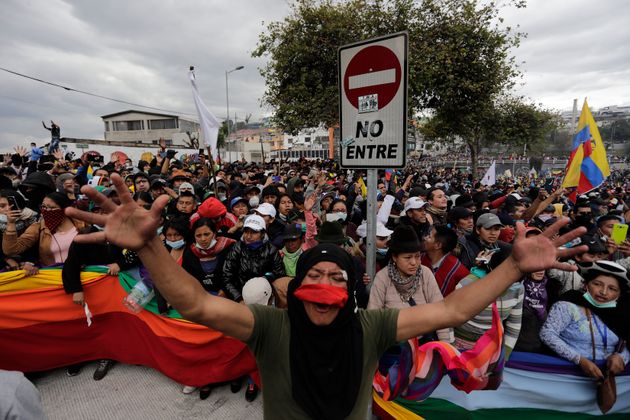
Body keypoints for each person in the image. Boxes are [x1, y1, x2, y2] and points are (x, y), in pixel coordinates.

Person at [66, 174, 588, 420]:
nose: (328, 286)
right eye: (316, 274)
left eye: (340, 279)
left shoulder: (371, 328)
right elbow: (197, 304)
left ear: (354, 293)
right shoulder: (271, 327)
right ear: (294, 289)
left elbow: (453, 309)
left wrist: (516, 266)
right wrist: (152, 246)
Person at [540, 261, 629, 382]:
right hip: (564, 376)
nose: (603, 292)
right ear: (586, 285)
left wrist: (622, 357)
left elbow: (627, 344)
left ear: (619, 294)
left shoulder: (622, 315)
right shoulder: (568, 304)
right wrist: (580, 360)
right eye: (597, 284)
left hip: (608, 380)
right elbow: (547, 334)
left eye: (612, 288)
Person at [368, 225, 453, 343]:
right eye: (407, 257)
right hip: (393, 346)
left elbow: (439, 311)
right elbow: (373, 317)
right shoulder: (383, 278)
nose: (414, 262)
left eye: (417, 256)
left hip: (424, 343)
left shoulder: (425, 274)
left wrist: (445, 347)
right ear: (394, 257)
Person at [3, 192, 86, 270]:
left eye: (52, 208)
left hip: (83, 274)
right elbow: (11, 250)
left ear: (65, 209)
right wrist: (11, 223)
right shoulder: (38, 227)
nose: (46, 211)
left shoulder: (83, 225)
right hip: (53, 275)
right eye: (43, 207)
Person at [421, 225, 470, 297]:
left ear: (438, 245)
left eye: (429, 237)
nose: (424, 238)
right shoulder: (419, 259)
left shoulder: (458, 271)